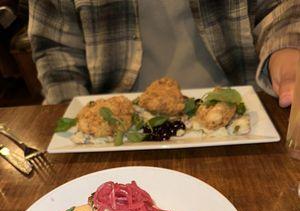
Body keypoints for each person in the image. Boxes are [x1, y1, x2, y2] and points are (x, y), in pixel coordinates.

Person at [28, 0, 300, 107]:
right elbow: (55, 47)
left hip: (242, 110)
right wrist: (73, 117)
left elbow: (280, 8)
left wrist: (286, 49)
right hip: (119, 125)